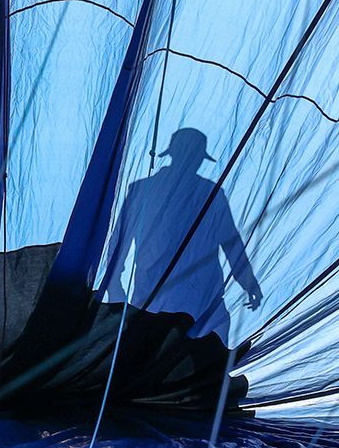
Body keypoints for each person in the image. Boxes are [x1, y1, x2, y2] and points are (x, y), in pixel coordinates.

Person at [102, 127, 262, 340]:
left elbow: (231, 243)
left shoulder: (208, 194)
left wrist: (248, 282)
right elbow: (120, 242)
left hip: (187, 300)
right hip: (173, 299)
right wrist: (114, 288)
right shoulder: (145, 191)